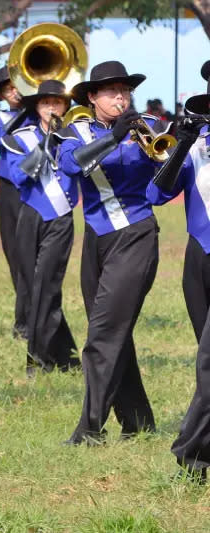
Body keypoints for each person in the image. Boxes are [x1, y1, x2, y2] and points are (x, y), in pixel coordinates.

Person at [57, 61, 169, 445]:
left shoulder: (148, 126)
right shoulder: (76, 131)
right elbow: (70, 165)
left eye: (124, 90)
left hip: (136, 234)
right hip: (96, 240)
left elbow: (165, 176)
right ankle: (139, 422)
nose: (120, 97)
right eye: (110, 91)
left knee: (103, 334)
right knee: (112, 331)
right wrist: (112, 137)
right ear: (92, 97)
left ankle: (89, 429)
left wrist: (166, 142)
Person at [145, 60, 210, 481]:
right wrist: (184, 144)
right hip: (199, 259)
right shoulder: (197, 141)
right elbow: (156, 193)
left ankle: (191, 454)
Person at [1, 80, 79, 376]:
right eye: (45, 103)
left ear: (65, 106)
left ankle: (37, 360)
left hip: (60, 219)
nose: (51, 108)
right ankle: (68, 356)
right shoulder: (19, 138)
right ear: (36, 106)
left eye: (57, 103)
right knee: (34, 288)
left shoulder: (74, 137)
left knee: (47, 285)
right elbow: (20, 178)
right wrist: (46, 143)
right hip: (29, 215)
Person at [0, 66, 32, 339]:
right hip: (11, 190)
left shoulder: (40, 113)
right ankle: (24, 318)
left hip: (37, 188)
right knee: (15, 255)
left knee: (35, 257)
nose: (15, 91)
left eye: (19, 85)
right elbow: (1, 137)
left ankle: (29, 319)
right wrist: (27, 109)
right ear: (1, 94)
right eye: (8, 88)